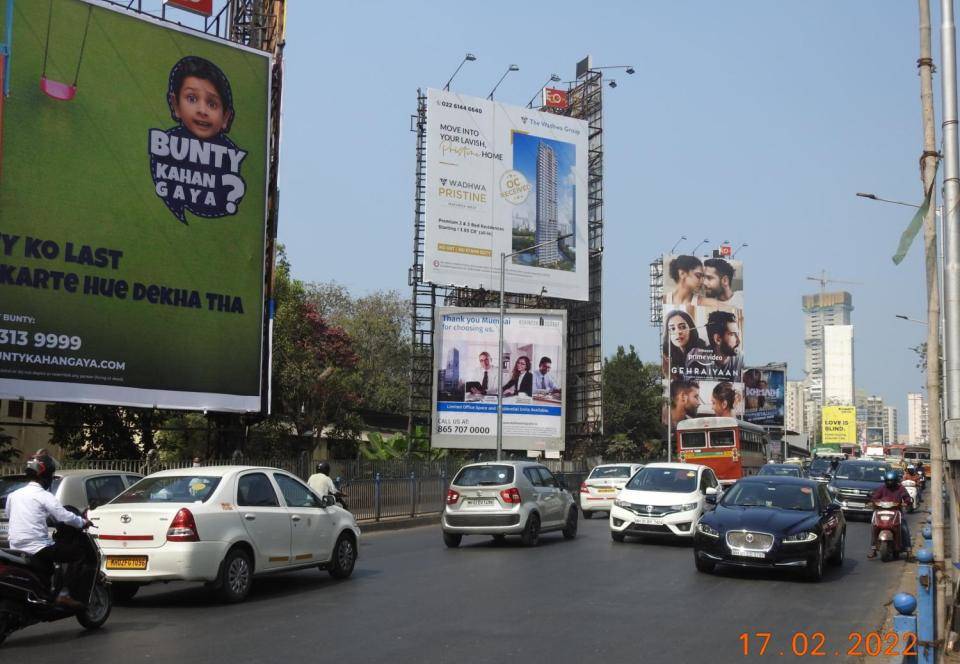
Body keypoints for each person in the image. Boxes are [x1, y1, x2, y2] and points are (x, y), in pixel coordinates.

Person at [6, 453, 91, 609]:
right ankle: (63, 595)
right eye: (51, 475)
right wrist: (83, 522)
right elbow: (64, 516)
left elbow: (10, 514)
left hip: (15, 546)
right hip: (38, 547)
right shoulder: (44, 496)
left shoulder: (13, 495)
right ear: (46, 476)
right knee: (78, 553)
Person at [167, 56, 235, 141]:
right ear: (176, 104)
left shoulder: (229, 152)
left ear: (225, 117)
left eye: (212, 104)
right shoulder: (164, 142)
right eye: (192, 99)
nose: (202, 111)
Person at [867, 470, 913, 559]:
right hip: (882, 512)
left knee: (904, 528)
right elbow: (875, 497)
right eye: (888, 481)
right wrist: (872, 501)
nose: (889, 482)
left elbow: (906, 497)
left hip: (896, 512)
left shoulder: (900, 488)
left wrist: (907, 502)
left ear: (896, 481)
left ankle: (908, 550)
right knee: (874, 526)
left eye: (891, 481)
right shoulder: (882, 488)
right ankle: (873, 549)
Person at [662, 309, 709, 378]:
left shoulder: (702, 350)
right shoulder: (664, 355)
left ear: (691, 328)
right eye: (672, 329)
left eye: (682, 327)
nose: (678, 332)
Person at [705, 309, 743, 377]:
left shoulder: (741, 358)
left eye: (737, 334)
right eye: (732, 334)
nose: (738, 341)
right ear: (718, 339)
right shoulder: (699, 359)